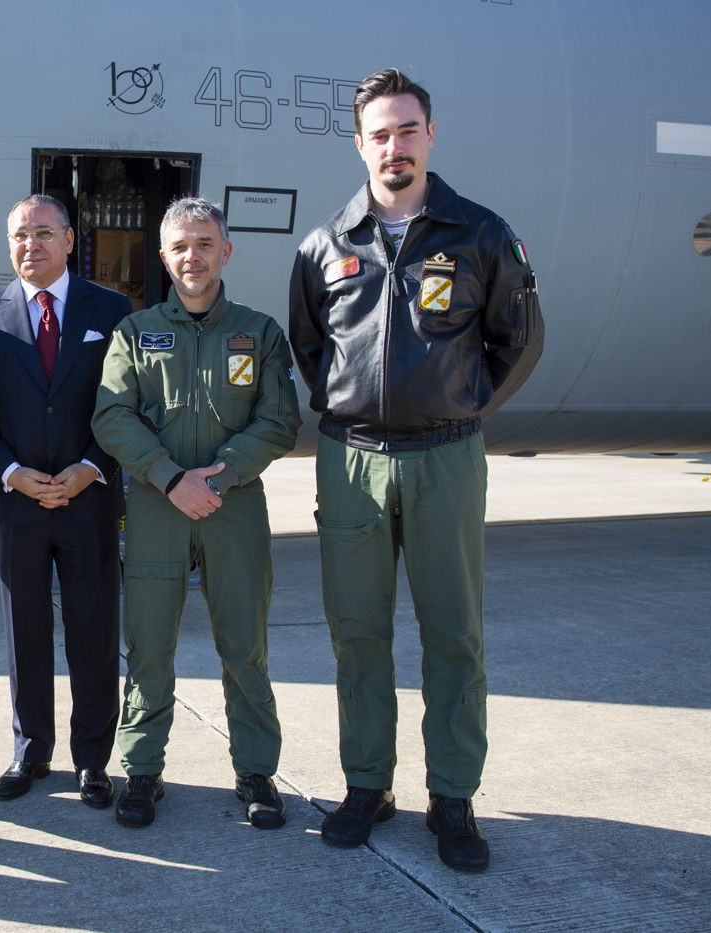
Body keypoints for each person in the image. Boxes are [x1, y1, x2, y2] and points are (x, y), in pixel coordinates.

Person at [288, 68, 544, 872]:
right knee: (357, 633)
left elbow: (521, 341)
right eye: (379, 133)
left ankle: (454, 796)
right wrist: (353, 410)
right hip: (352, 461)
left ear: (430, 135)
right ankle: (368, 784)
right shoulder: (326, 244)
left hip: (444, 459)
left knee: (454, 634)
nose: (393, 146)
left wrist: (460, 407)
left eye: (407, 129)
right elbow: (309, 349)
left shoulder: (481, 234)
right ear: (358, 143)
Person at [93, 197, 300, 828]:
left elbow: (279, 419)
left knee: (244, 646)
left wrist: (226, 472)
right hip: (158, 507)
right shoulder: (135, 332)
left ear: (225, 251)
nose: (193, 257)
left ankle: (257, 772)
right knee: (148, 647)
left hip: (234, 508)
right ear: (163, 256)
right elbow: (112, 415)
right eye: (181, 246)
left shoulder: (259, 333)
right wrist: (169, 477)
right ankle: (142, 771)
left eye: (205, 244)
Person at [0, 195, 132, 808]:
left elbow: (121, 401)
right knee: (24, 633)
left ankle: (92, 760)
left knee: (92, 630)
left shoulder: (110, 310)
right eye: (18, 235)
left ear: (68, 239)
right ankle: (30, 750)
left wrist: (92, 467)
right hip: (18, 505)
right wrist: (9, 470)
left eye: (42, 232)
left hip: (88, 502)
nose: (30, 244)